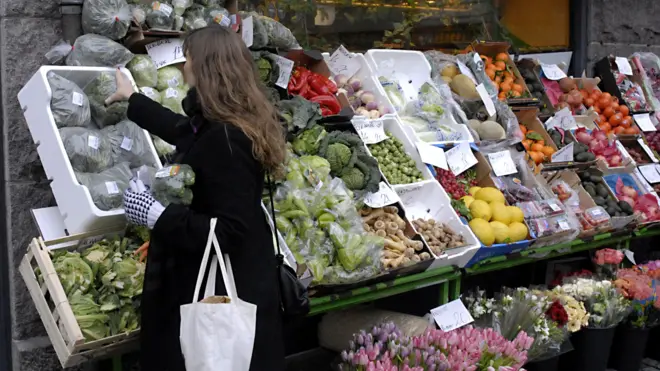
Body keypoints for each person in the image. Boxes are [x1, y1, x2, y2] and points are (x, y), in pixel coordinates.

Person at [104, 25, 288, 371]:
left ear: (205, 67)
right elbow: (180, 130)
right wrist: (133, 99)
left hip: (223, 286)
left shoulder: (227, 139)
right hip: (237, 274)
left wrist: (157, 215)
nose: (184, 65)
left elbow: (229, 230)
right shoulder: (222, 122)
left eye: (187, 58)